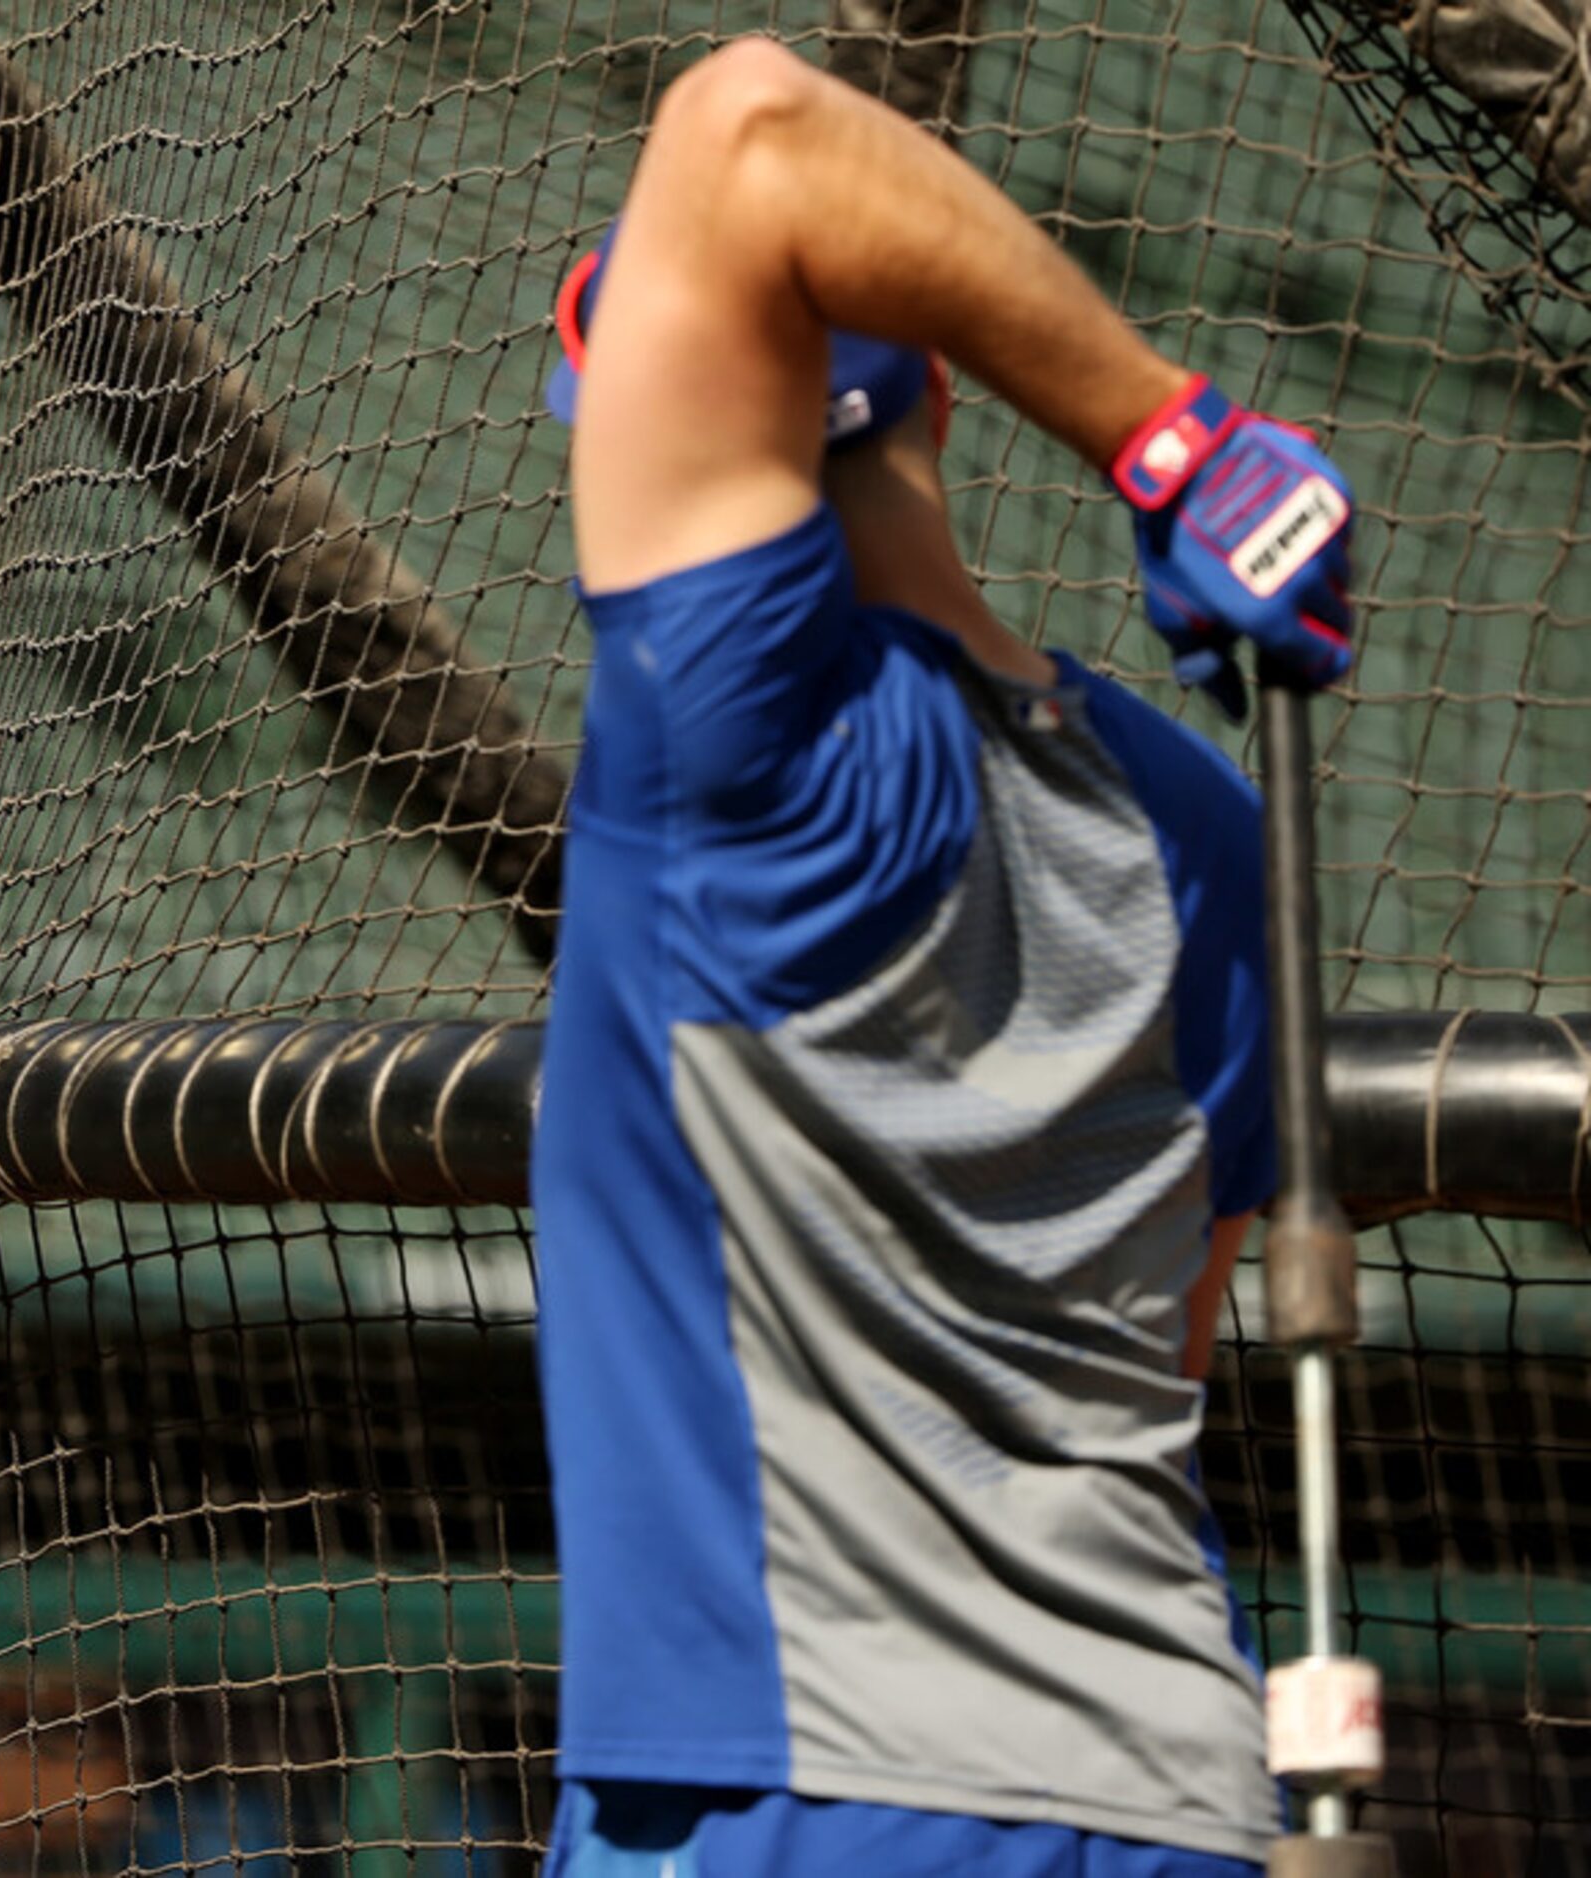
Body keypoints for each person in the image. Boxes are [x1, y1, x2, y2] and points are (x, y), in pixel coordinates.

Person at [532, 38, 1354, 1878]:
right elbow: (1174, 1345)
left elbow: (748, 126)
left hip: (796, 1782)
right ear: (949, 407)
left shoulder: (734, 746)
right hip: (1164, 1788)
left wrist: (1175, 431)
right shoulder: (1215, 834)